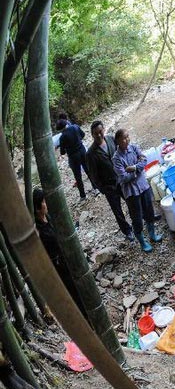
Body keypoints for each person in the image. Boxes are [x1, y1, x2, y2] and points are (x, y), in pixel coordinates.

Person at [32, 188, 88, 318]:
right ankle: (85, 321)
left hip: (67, 260)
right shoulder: (36, 229)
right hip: (58, 268)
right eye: (44, 201)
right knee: (73, 293)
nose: (47, 203)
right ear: (37, 207)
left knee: (81, 289)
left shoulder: (49, 217)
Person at [112, 129, 162, 253]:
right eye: (123, 138)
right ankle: (142, 241)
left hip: (143, 186)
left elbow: (144, 160)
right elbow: (123, 177)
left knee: (149, 211)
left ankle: (152, 234)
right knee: (137, 217)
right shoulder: (116, 158)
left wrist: (133, 168)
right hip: (131, 192)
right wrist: (137, 171)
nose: (126, 140)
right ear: (117, 141)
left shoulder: (133, 148)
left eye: (127, 137)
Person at [86, 120, 133, 242]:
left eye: (100, 132)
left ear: (104, 130)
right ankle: (127, 231)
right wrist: (103, 188)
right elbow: (93, 175)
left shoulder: (111, 139)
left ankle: (139, 219)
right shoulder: (91, 153)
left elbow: (122, 152)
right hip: (109, 186)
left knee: (131, 200)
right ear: (92, 135)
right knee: (117, 211)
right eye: (96, 133)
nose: (99, 135)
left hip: (121, 180)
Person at [56, 117, 95, 200]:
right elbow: (83, 135)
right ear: (66, 123)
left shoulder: (62, 137)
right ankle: (95, 188)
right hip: (82, 151)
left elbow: (62, 152)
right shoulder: (75, 127)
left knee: (78, 176)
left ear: (60, 129)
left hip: (73, 157)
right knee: (88, 170)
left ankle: (83, 195)